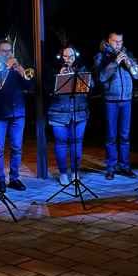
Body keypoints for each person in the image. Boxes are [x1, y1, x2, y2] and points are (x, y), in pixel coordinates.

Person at [0, 39, 34, 192]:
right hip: (0, 112)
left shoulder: (15, 68)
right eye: (4, 51)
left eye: (9, 51)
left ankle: (14, 178)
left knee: (17, 147)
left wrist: (22, 72)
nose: (8, 54)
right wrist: (7, 69)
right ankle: (0, 180)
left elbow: (29, 86)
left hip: (18, 111)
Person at [94, 31, 138, 181]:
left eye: (120, 41)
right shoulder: (102, 56)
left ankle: (125, 166)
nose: (118, 44)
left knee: (125, 136)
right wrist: (114, 62)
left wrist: (130, 63)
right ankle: (111, 167)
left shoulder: (129, 53)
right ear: (109, 41)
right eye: (115, 41)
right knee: (111, 136)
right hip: (110, 100)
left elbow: (137, 75)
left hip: (126, 99)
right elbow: (101, 77)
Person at [45, 46, 93, 186]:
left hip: (79, 111)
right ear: (61, 57)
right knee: (60, 142)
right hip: (58, 112)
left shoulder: (81, 67)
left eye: (72, 56)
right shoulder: (53, 69)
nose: (69, 59)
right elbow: (46, 88)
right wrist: (60, 76)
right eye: (66, 56)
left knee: (77, 141)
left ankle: (75, 172)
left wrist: (81, 75)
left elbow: (91, 85)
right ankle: (63, 173)